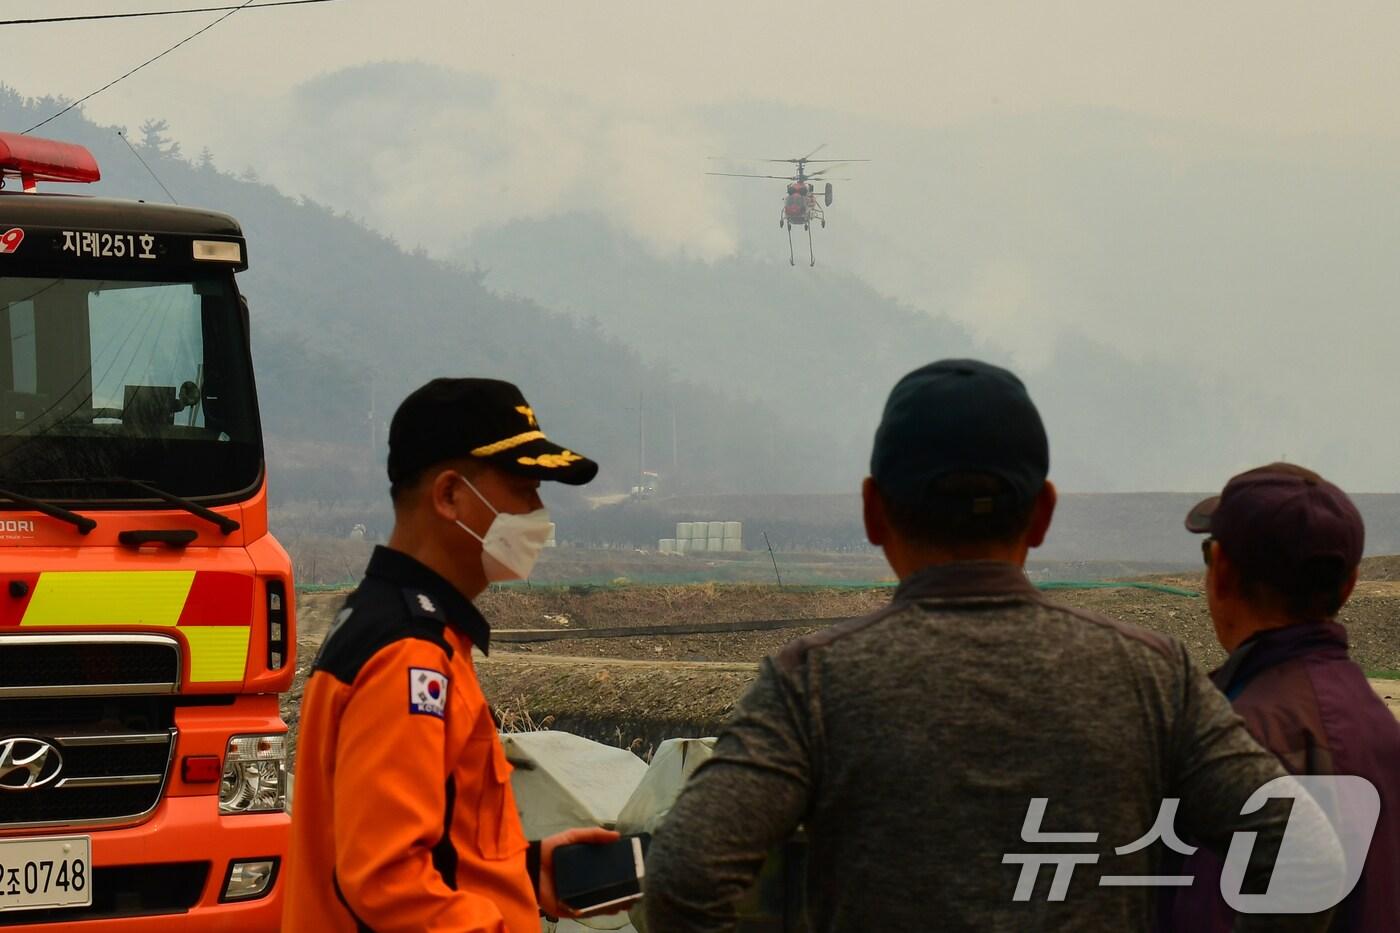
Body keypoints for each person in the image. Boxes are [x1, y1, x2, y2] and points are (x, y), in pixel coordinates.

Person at [644, 359, 1343, 932]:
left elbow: (683, 876)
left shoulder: (814, 682)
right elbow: (1306, 856)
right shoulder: (1151, 674)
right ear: (1041, 514)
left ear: (872, 511)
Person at [284, 377, 617, 932]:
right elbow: (387, 881)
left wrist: (523, 872)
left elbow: (424, 846)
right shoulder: (407, 656)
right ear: (449, 496)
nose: (539, 513)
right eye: (522, 487)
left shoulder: (407, 632)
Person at [1162, 463, 1400, 931]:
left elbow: (1204, 911)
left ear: (1222, 573)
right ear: (1349, 586)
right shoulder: (1381, 728)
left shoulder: (1230, 736)